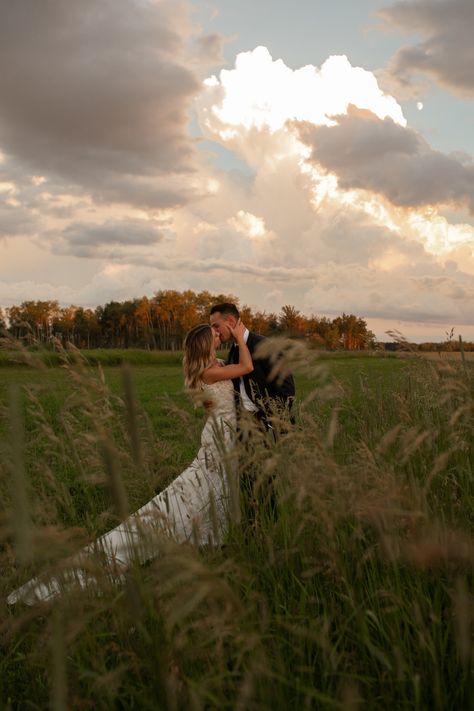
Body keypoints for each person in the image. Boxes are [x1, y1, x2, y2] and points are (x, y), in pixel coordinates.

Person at [7, 321, 252, 606]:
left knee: (215, 488)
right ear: (205, 344)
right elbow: (246, 368)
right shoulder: (210, 372)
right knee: (197, 491)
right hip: (218, 438)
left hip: (223, 436)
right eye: (214, 335)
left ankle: (209, 540)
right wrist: (241, 337)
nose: (219, 336)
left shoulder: (214, 365)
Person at [209, 303, 295, 428]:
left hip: (272, 425)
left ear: (231, 321)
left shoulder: (265, 346)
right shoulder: (233, 350)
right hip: (243, 426)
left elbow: (287, 389)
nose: (215, 332)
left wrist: (271, 421)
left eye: (216, 326)